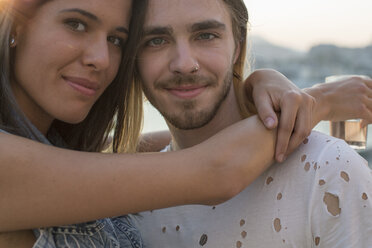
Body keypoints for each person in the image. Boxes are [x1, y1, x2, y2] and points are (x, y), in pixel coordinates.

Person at [0, 0, 340, 247]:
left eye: (116, 40)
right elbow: (216, 170)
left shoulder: (54, 151)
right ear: (15, 25)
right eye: (76, 24)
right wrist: (321, 101)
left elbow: (142, 150)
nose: (100, 59)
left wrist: (254, 90)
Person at [132, 0, 372, 247]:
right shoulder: (127, 203)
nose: (183, 64)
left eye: (206, 35)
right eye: (156, 40)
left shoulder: (327, 170)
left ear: (238, 45)